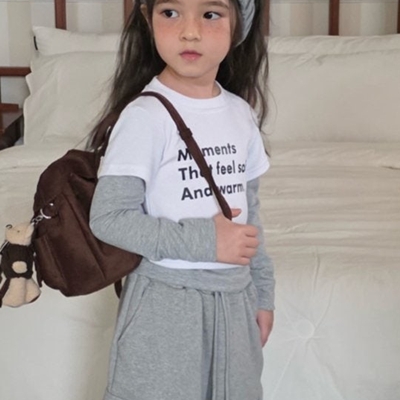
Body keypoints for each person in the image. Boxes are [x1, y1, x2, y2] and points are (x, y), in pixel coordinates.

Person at [89, 0, 275, 399]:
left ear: (238, 23)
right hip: (166, 302)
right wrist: (206, 241)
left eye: (211, 14)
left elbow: (251, 219)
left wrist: (263, 294)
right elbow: (109, 217)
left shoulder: (240, 113)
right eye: (170, 13)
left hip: (236, 299)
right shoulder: (144, 116)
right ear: (148, 19)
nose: (190, 31)